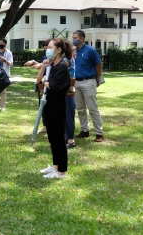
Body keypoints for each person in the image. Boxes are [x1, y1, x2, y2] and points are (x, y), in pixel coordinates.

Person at [37, 38, 70, 179]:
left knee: (58, 137)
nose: (47, 49)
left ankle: (61, 171)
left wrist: (46, 81)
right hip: (48, 104)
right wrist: (44, 71)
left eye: (50, 47)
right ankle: (55, 166)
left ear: (58, 50)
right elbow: (40, 80)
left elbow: (55, 86)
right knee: (52, 136)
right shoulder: (52, 65)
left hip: (57, 105)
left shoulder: (62, 66)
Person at [72, 30, 104, 142]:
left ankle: (99, 133)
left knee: (92, 108)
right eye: (73, 37)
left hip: (88, 81)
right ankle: (84, 130)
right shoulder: (74, 51)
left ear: (82, 38)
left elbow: (98, 65)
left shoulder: (90, 50)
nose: (73, 39)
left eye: (75, 38)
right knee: (80, 108)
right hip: (77, 82)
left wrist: (97, 79)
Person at [63, 40, 76, 149]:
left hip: (68, 91)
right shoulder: (64, 59)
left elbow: (59, 66)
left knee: (68, 115)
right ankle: (65, 137)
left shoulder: (68, 60)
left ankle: (71, 140)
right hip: (62, 90)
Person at [0, 38, 13, 111]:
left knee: (3, 91)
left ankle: (3, 106)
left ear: (5, 44)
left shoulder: (8, 53)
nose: (0, 45)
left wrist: (4, 60)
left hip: (4, 73)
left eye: (2, 43)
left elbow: (11, 64)